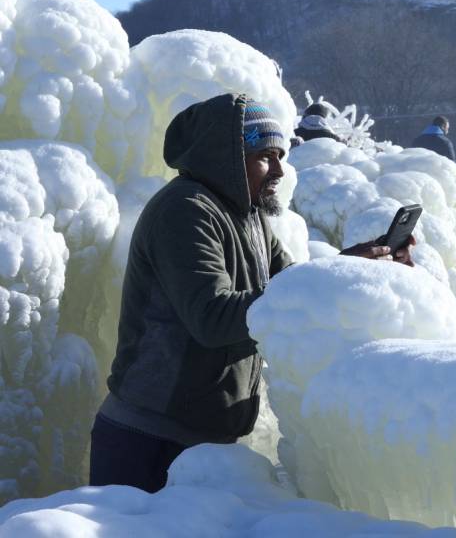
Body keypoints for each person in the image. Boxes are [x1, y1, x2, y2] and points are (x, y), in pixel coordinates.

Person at [90, 94, 409, 493]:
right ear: (224, 157)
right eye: (265, 156)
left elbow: (293, 286)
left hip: (201, 438)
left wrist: (355, 264)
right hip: (149, 440)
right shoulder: (186, 210)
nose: (279, 169)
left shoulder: (250, 213)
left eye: (280, 155)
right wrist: (321, 283)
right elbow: (213, 317)